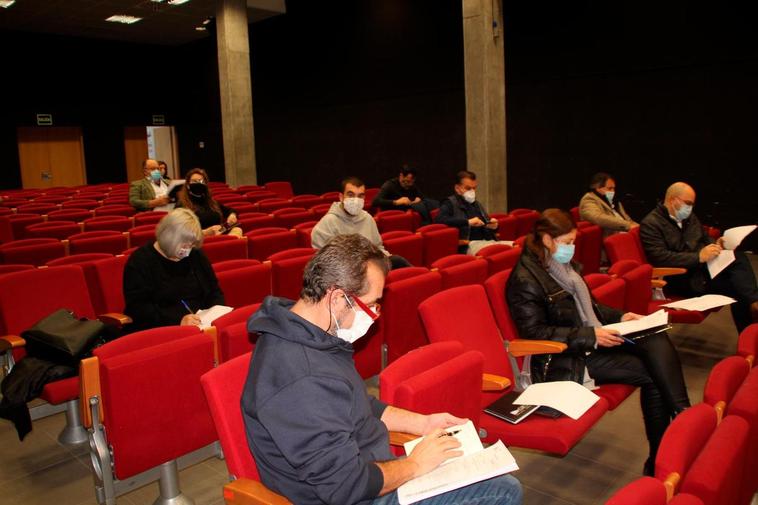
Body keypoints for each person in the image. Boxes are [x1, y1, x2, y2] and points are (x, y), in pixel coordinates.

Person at [242, 234, 523, 505]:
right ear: (338, 298)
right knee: (503, 490)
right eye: (372, 304)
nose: (375, 315)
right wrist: (415, 465)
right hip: (354, 493)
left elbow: (359, 406)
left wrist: (424, 424)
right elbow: (344, 486)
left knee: (480, 471)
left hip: (367, 469)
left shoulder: (314, 335)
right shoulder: (302, 377)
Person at [506, 209, 690, 476]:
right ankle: (660, 456)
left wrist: (621, 316)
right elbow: (534, 332)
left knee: (653, 334)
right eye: (567, 242)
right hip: (560, 358)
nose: (572, 248)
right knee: (651, 373)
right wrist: (590, 336)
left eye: (573, 242)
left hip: (587, 341)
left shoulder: (563, 269)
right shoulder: (524, 279)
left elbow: (590, 309)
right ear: (547, 239)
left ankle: (682, 412)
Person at [640, 182, 758, 332]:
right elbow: (660, 258)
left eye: (692, 204)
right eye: (687, 203)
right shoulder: (651, 223)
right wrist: (698, 257)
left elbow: (703, 237)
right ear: (672, 200)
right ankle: (754, 307)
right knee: (739, 289)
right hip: (681, 279)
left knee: (737, 259)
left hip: (702, 271)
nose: (689, 208)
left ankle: (751, 323)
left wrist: (716, 245)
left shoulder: (689, 217)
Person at [123, 208, 225, 332]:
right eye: (184, 246)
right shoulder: (140, 261)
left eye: (191, 245)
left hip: (202, 325)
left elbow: (214, 290)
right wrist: (178, 320)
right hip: (160, 330)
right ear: (168, 238)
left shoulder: (196, 254)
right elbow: (139, 309)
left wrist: (217, 312)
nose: (187, 252)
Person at [311, 177, 411, 269]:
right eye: (351, 195)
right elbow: (322, 262)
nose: (356, 200)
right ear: (341, 197)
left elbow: (377, 247)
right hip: (346, 272)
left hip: (371, 266)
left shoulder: (367, 218)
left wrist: (385, 259)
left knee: (398, 262)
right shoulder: (327, 223)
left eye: (360, 196)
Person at [436, 170, 509, 255]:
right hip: (468, 244)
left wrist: (494, 226)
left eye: (474, 188)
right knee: (501, 252)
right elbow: (439, 220)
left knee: (515, 247)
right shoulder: (449, 203)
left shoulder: (476, 204)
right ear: (457, 188)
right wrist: (467, 222)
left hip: (487, 241)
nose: (472, 192)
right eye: (468, 188)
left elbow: (487, 222)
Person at [174, 168, 242, 237]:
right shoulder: (181, 205)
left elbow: (231, 210)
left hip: (218, 235)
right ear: (188, 185)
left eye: (201, 181)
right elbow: (179, 230)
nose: (198, 183)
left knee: (237, 229)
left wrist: (232, 215)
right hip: (198, 240)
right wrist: (205, 232)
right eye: (194, 181)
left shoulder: (211, 202)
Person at [372, 167, 438, 226]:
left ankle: (434, 222)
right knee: (419, 207)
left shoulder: (412, 185)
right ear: (401, 176)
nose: (409, 185)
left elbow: (423, 197)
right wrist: (396, 202)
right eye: (407, 181)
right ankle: (429, 224)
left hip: (407, 210)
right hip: (393, 213)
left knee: (429, 202)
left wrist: (419, 199)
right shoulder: (389, 185)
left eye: (412, 182)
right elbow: (375, 201)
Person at [578, 172, 638, 237]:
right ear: (598, 188)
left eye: (614, 188)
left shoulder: (613, 200)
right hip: (611, 236)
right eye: (610, 188)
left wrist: (639, 228)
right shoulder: (589, 199)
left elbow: (627, 218)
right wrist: (628, 225)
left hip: (625, 232)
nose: (613, 191)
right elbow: (598, 218)